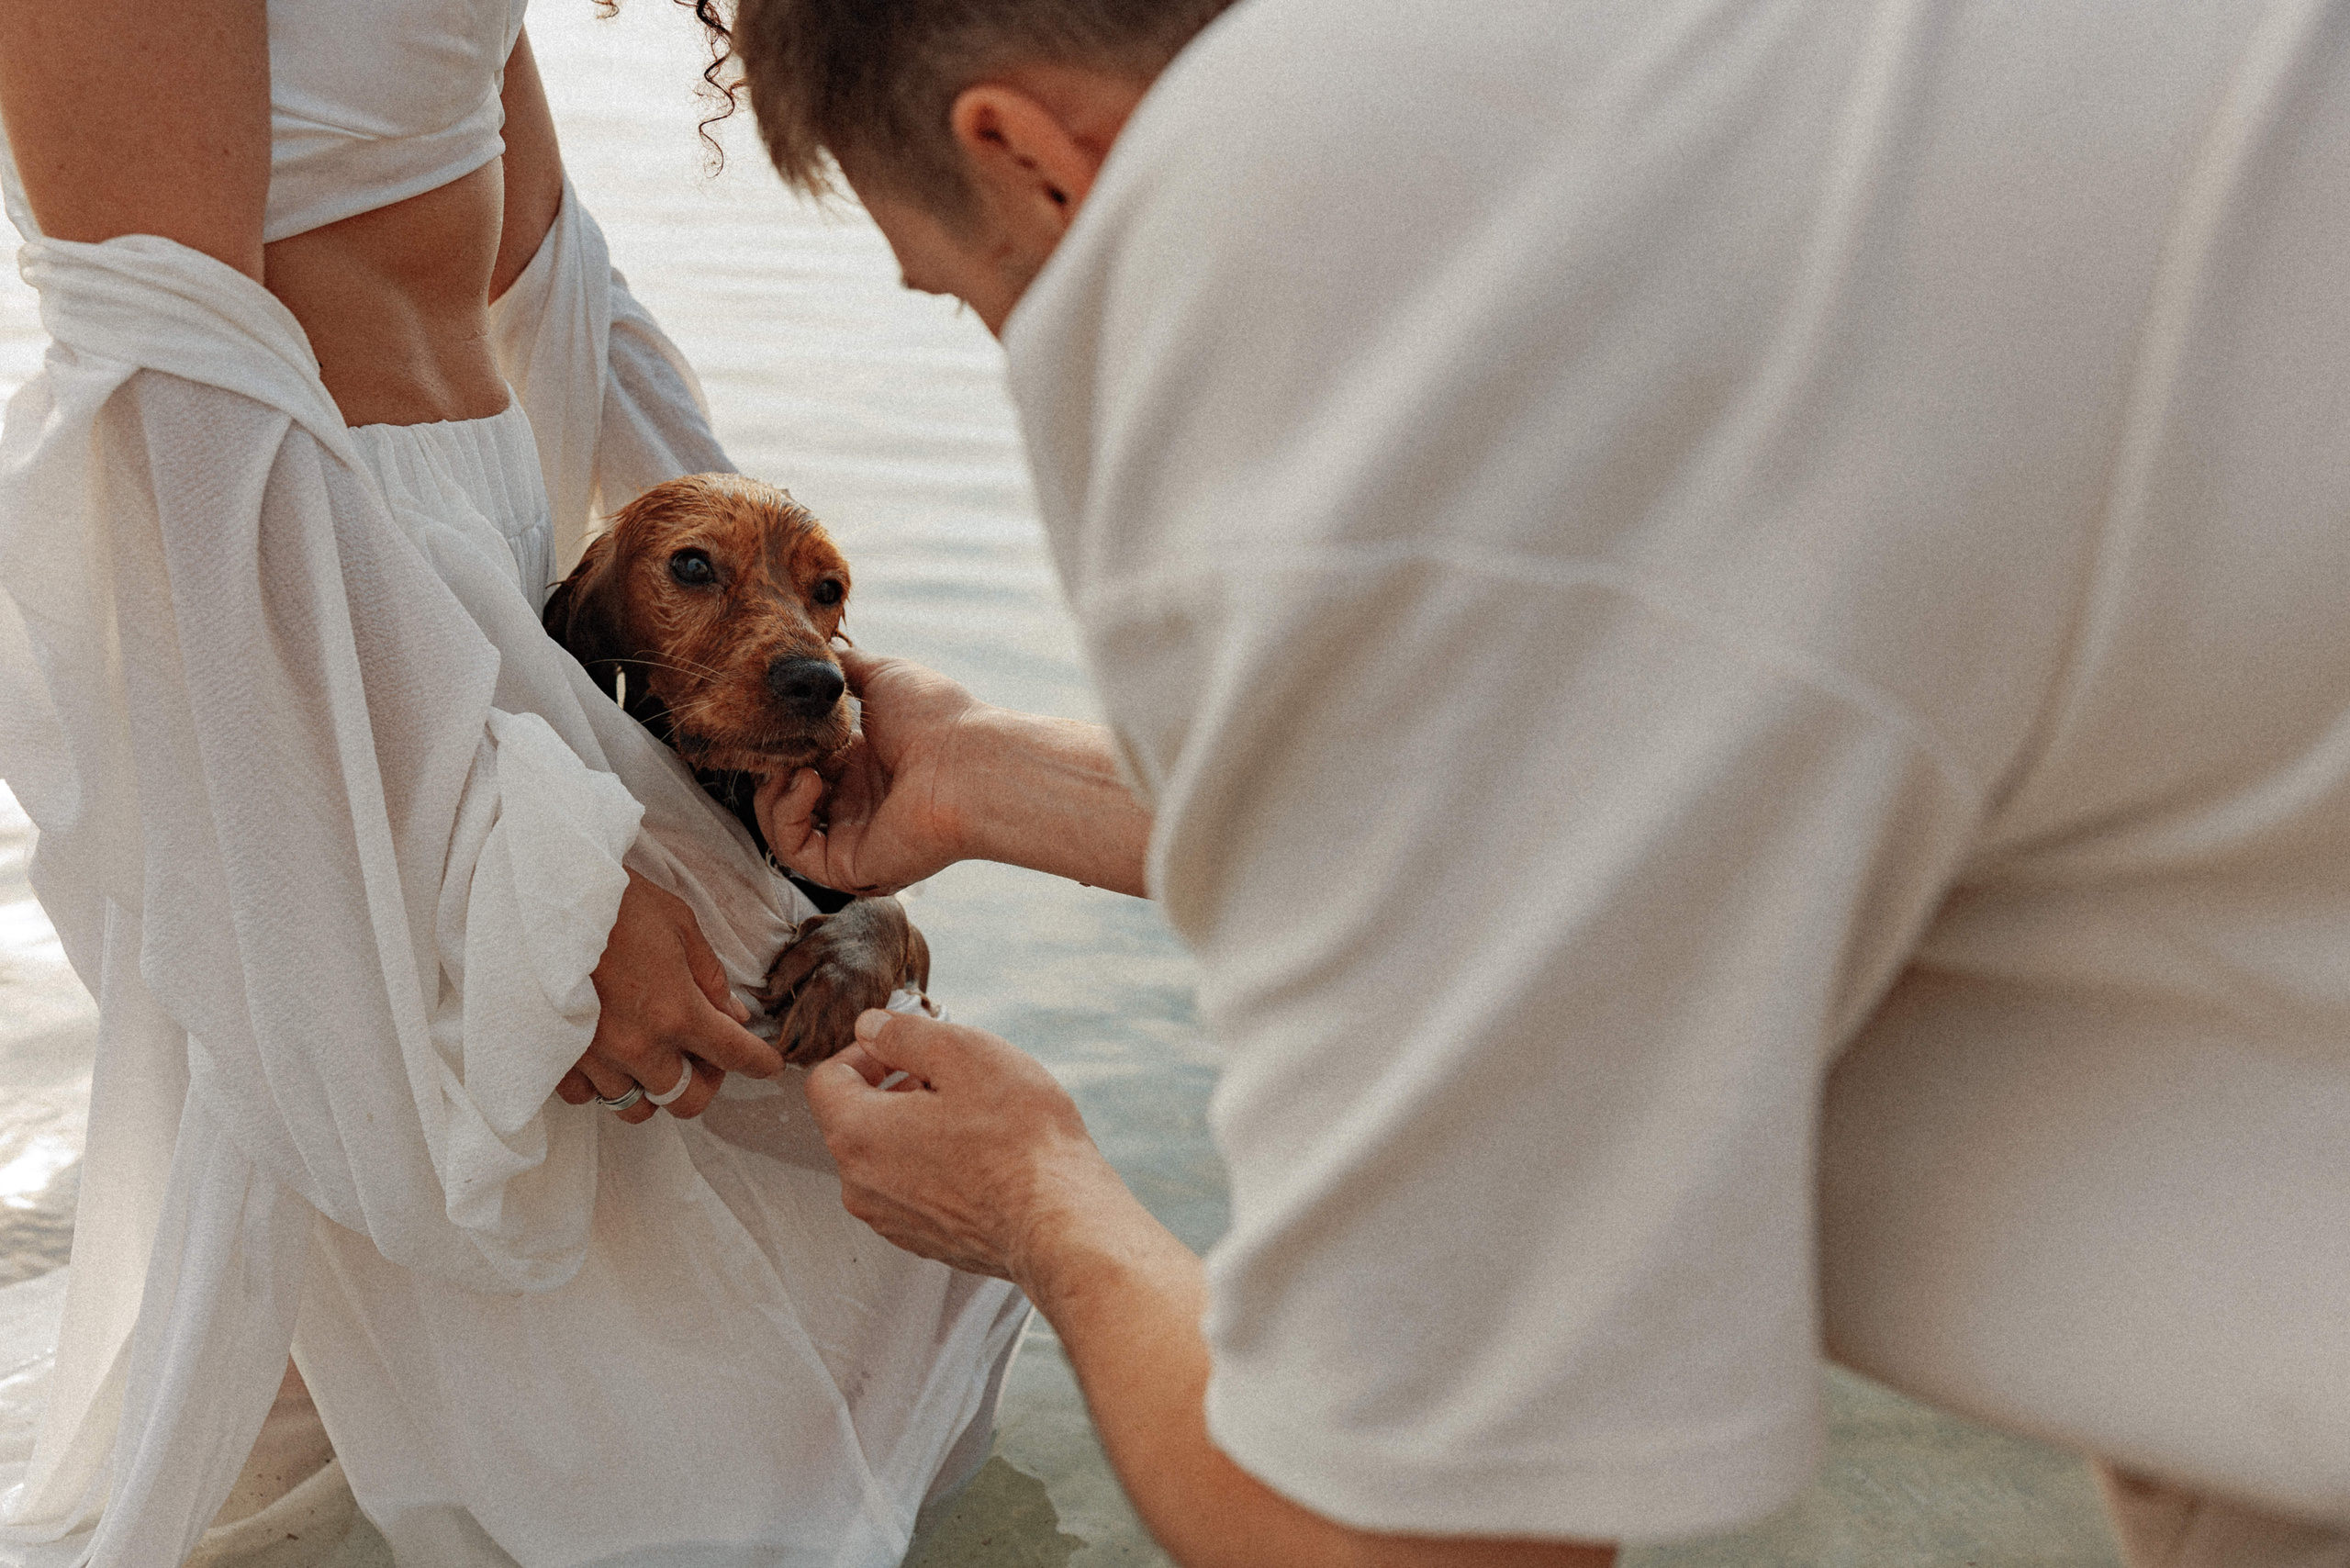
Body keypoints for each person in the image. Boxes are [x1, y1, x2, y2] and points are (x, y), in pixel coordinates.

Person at [723, 0, 2350, 1565]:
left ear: (1029, 158)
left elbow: (1391, 1539)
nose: (1023, 359)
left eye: (969, 295)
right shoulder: (1680, 103)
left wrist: (1039, 1200)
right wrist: (984, 781)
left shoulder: (1305, 329)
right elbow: (1613, 766)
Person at [0, 3, 1022, 1563]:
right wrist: (507, 857)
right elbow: (177, 371)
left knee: (816, 1197)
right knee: (448, 1237)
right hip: (302, 602)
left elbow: (557, 290)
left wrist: (779, 641)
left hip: (498, 561)